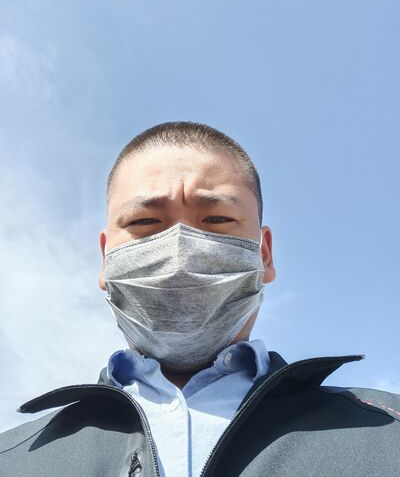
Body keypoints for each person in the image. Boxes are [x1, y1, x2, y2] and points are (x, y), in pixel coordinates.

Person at [0, 121, 399, 477]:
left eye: (217, 219)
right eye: (144, 222)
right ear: (106, 260)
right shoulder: (12, 459)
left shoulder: (387, 436)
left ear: (264, 254)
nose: (179, 251)